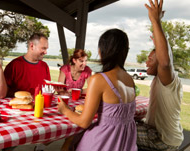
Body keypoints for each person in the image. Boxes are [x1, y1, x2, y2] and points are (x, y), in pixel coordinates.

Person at [58, 28, 137, 151]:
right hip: (124, 143)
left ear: (101, 51)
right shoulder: (129, 79)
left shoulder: (99, 79)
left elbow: (84, 122)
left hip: (103, 143)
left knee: (69, 142)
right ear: (125, 52)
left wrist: (65, 110)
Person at [136, 0, 183, 150]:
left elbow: (165, 62)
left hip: (162, 139)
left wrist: (155, 21)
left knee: (115, 128)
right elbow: (165, 57)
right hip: (164, 135)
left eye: (150, 59)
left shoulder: (168, 80)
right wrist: (158, 31)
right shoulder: (161, 79)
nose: (146, 62)